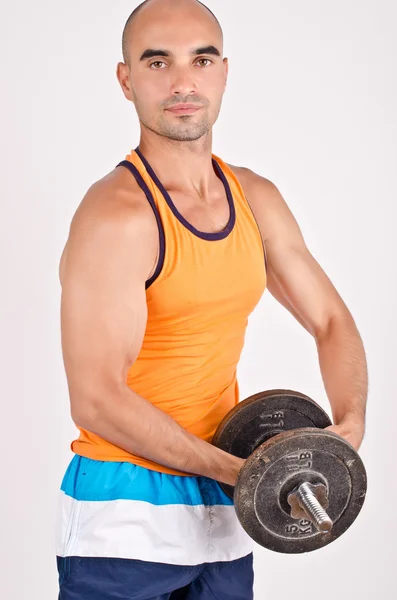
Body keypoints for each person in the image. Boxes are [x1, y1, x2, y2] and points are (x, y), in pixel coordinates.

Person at [55, 0, 368, 598]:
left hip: (224, 508)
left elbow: (330, 320)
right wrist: (244, 471)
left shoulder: (255, 197)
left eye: (200, 59)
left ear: (223, 71)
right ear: (126, 80)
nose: (182, 82)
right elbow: (97, 400)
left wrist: (348, 427)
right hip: (126, 513)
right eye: (157, 62)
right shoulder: (117, 216)